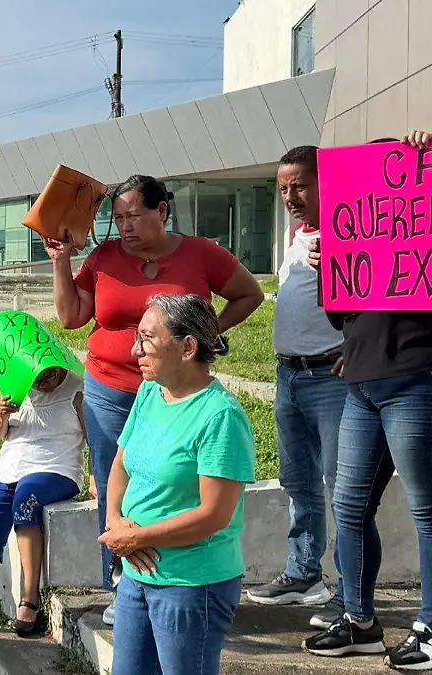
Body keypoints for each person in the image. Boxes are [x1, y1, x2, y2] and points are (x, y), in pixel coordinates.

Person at [47, 174, 264, 623]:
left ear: (162, 211)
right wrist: (61, 263)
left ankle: (174, 574)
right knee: (113, 482)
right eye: (119, 217)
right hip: (111, 389)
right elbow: (71, 317)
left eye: (135, 215)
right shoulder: (105, 258)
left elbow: (250, 293)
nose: (125, 226)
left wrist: (205, 337)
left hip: (177, 394)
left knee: (173, 483)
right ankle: (122, 581)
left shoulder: (201, 253)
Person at [302, 131, 432, 670]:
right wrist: (330, 268)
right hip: (363, 385)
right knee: (348, 507)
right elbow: (343, 318)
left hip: (424, 377)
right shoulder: (348, 237)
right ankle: (359, 621)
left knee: (428, 507)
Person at [98, 294, 256, 675]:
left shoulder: (220, 417)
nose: (135, 350)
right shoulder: (150, 391)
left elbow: (213, 516)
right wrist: (116, 520)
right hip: (137, 574)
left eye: (147, 339)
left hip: (191, 585)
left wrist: (138, 538)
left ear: (188, 347)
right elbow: (121, 462)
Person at [245, 146, 349, 629]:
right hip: (289, 376)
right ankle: (305, 574)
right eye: (284, 188)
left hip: (332, 378)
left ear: (328, 182)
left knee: (342, 487)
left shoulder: (349, 231)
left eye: (300, 185)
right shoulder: (296, 236)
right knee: (298, 482)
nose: (291, 196)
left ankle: (350, 593)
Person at [0, 366, 87, 655]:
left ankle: (29, 599)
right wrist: (1, 414)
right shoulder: (15, 384)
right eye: (36, 380)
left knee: (25, 502)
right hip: (10, 469)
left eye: (46, 378)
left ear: (56, 365)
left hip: (56, 468)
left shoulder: (77, 390)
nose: (41, 385)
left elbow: (92, 436)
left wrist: (96, 478)